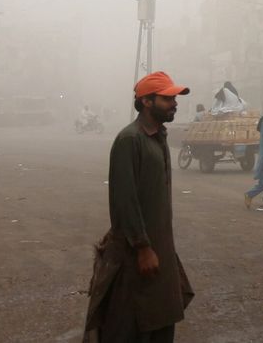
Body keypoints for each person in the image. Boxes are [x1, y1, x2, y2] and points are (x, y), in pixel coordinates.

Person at [83, 71, 195, 342]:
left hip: (161, 249)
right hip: (136, 253)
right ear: (146, 101)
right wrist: (143, 248)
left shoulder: (158, 136)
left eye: (174, 98)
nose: (174, 104)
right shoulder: (130, 140)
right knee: (129, 323)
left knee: (162, 318)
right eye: (168, 98)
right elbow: (125, 199)